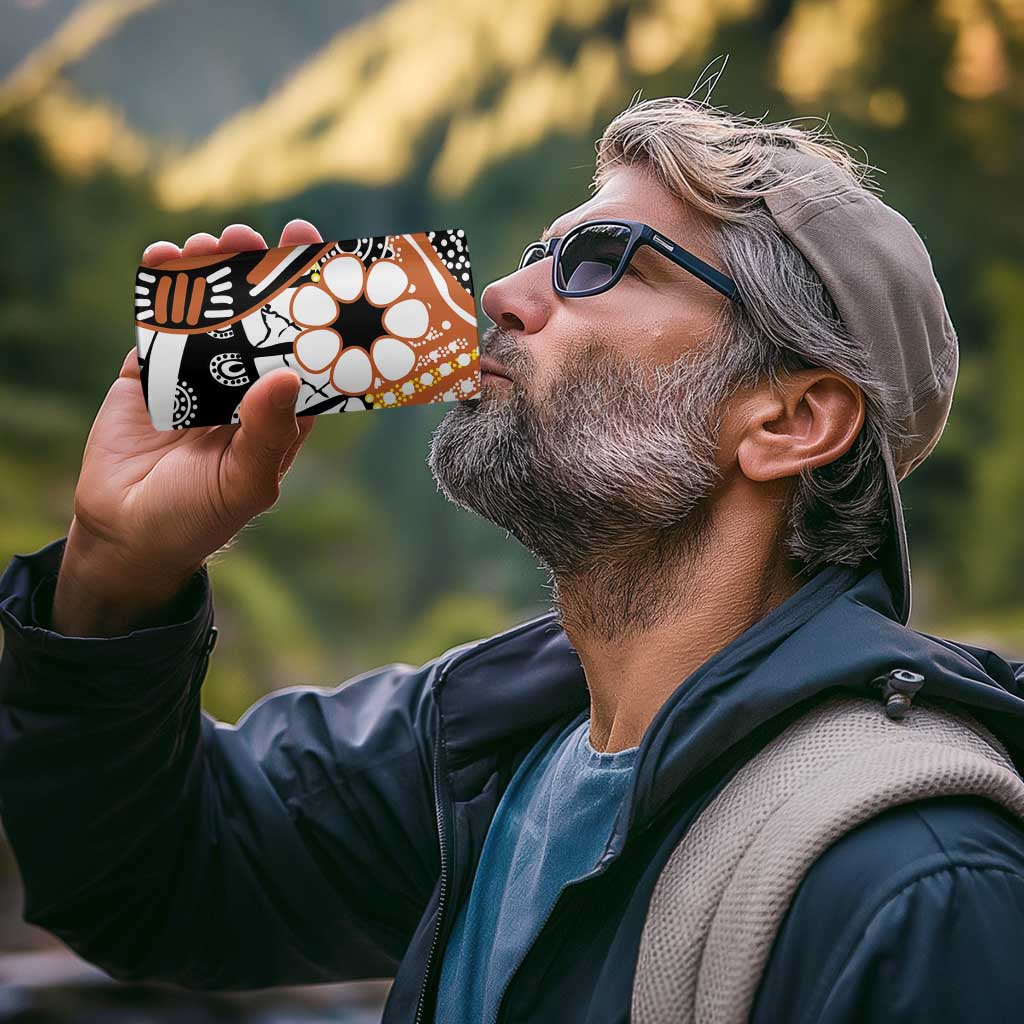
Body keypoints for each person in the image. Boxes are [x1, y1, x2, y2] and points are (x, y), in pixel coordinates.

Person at [2, 95, 1024, 1024]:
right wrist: (116, 569)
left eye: (600, 261)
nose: (501, 292)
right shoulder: (479, 749)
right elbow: (148, 879)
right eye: (540, 252)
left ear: (791, 420)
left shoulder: (918, 884)